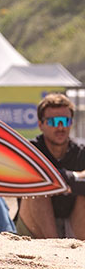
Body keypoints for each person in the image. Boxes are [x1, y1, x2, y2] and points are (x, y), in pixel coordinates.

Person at [16, 93, 85, 239]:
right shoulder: (31, 150)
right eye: (54, 121)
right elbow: (28, 179)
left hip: (73, 225)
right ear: (41, 125)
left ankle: (77, 251)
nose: (60, 127)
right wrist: (73, 178)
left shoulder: (80, 151)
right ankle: (54, 248)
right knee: (38, 187)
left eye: (65, 121)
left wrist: (60, 179)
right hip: (33, 227)